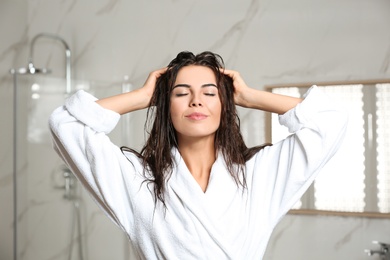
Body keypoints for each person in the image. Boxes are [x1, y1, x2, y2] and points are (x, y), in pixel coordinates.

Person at [49, 51, 348, 259]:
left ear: (224, 105)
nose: (195, 101)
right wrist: (142, 98)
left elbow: (332, 121)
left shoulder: (260, 176)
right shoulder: (139, 181)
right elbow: (65, 124)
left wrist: (249, 97)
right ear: (166, 106)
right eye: (181, 93)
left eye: (209, 93)